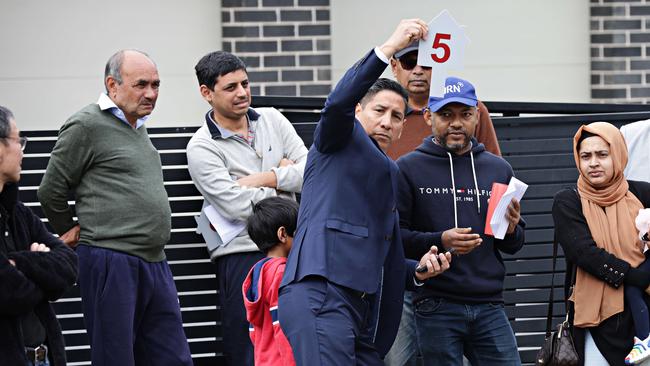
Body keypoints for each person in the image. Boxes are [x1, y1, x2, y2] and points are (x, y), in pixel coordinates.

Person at [278, 19, 452, 365]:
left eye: (397, 116)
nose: (388, 121)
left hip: (367, 317)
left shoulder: (390, 170)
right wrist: (388, 46)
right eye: (380, 111)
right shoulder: (338, 140)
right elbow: (337, 103)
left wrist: (418, 270)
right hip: (322, 293)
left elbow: (382, 252)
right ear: (358, 111)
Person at [37, 50, 193, 366]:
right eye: (141, 84)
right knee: (115, 359)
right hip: (111, 261)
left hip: (154, 261)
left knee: (173, 359)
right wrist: (70, 230)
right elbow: (50, 190)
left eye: (156, 85)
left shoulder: (137, 125)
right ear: (113, 84)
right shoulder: (86, 124)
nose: (151, 93)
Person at [186, 51, 308, 365]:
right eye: (230, 87)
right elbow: (236, 205)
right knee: (248, 347)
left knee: (295, 341)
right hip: (241, 255)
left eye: (245, 83)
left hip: (292, 249)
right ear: (206, 93)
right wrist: (284, 182)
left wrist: (264, 178)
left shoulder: (272, 118)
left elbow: (311, 172)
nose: (242, 93)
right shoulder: (201, 147)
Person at [396, 76, 525, 366]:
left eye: (465, 114)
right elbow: (397, 238)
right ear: (429, 117)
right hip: (435, 302)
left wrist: (513, 228)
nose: (456, 123)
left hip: (489, 303)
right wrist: (440, 240)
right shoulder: (406, 168)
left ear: (477, 116)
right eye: (446, 115)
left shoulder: (498, 168)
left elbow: (513, 245)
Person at [552, 122, 650, 366]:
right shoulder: (568, 201)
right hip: (595, 321)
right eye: (586, 156)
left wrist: (645, 276)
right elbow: (583, 252)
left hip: (645, 312)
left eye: (602, 154)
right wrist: (634, 276)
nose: (593, 162)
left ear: (618, 154)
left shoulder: (643, 194)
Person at [0, 106, 77, 366]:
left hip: (43, 358)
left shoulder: (19, 214)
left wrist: (19, 263)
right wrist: (42, 272)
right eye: (18, 140)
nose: (22, 150)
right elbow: (9, 292)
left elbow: (69, 265)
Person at [386, 41, 501, 161]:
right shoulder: (383, 112)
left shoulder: (470, 107)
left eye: (427, 64)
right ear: (394, 66)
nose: (418, 71)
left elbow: (492, 165)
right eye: (409, 63)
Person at [242, 197, 299, 366]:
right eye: (298, 234)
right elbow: (284, 326)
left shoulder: (257, 273)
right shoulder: (282, 273)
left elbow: (253, 329)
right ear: (283, 234)